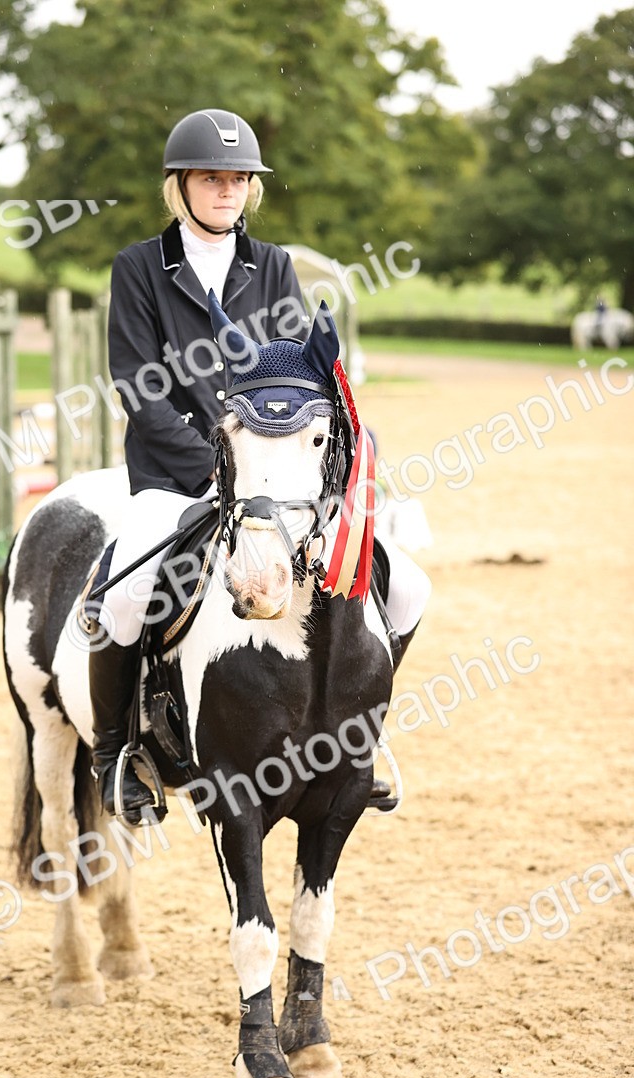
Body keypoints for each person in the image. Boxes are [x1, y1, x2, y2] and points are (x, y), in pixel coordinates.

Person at [89, 108, 430, 821]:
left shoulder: (272, 266)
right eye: (212, 178)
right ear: (178, 186)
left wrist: (335, 451)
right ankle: (117, 754)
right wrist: (214, 470)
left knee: (407, 589)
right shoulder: (139, 269)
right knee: (124, 597)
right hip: (175, 478)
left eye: (239, 179)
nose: (227, 191)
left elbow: (299, 375)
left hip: (272, 481)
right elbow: (138, 386)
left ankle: (356, 739)